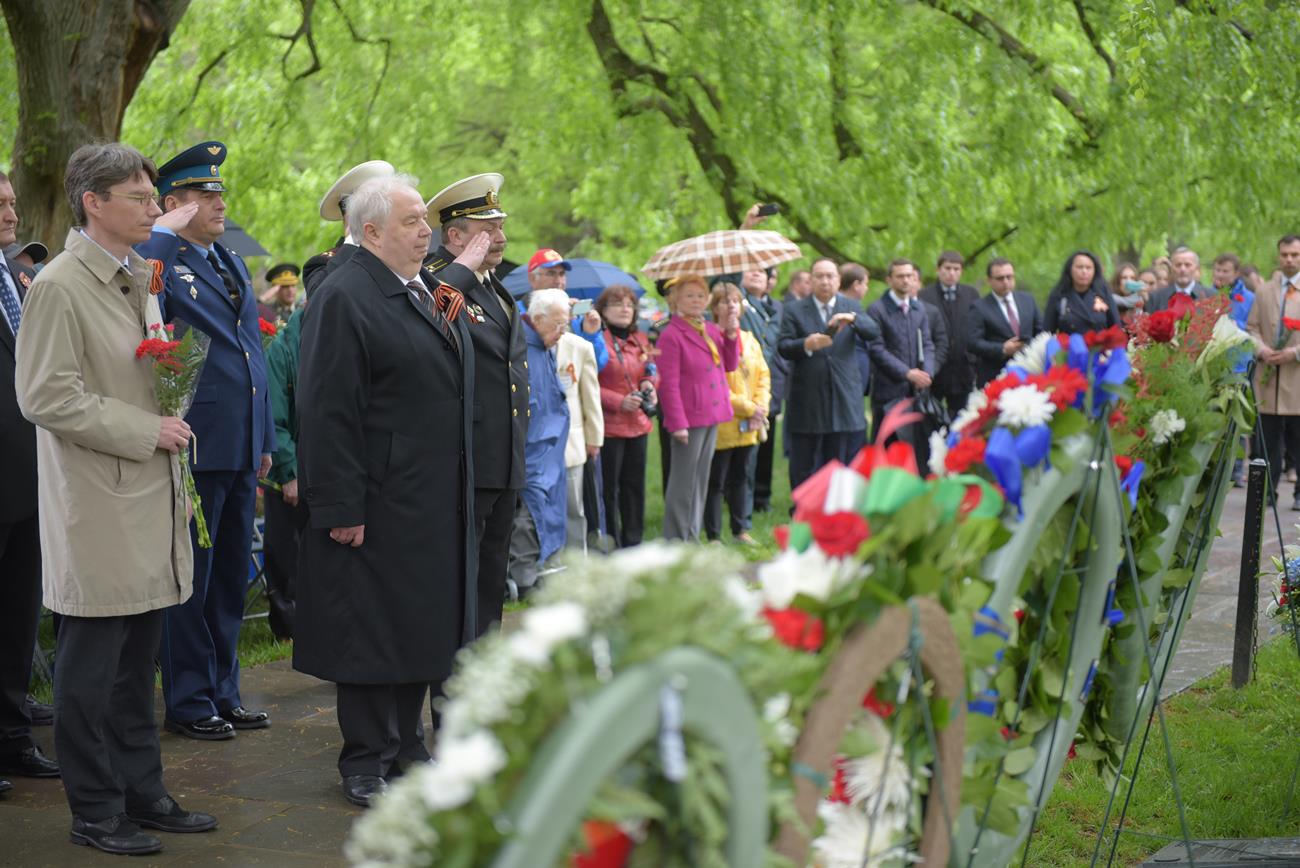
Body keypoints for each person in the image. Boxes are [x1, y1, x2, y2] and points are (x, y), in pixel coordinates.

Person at [16, 141, 216, 855]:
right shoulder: (63, 284)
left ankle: (144, 791)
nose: (154, 208)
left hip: (145, 493)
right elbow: (43, 394)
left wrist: (162, 414)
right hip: (99, 501)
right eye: (137, 197)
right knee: (92, 667)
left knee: (138, 665)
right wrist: (146, 427)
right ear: (92, 203)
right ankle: (95, 809)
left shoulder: (137, 276)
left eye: (152, 196)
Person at [295, 173, 477, 808]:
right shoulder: (347, 293)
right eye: (411, 222)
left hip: (424, 496)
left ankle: (406, 748)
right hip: (377, 495)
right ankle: (365, 759)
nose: (426, 230)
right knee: (371, 630)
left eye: (424, 221)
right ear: (369, 232)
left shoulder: (412, 287)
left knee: (417, 625)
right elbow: (328, 408)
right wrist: (341, 504)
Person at [137, 141, 273, 741]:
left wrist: (264, 434)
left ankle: (225, 690)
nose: (219, 202)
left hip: (240, 442)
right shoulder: (161, 257)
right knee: (190, 578)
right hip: (195, 438)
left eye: (219, 191)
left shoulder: (228, 261)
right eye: (203, 193)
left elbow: (250, 352)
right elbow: (141, 289)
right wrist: (162, 233)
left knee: (228, 579)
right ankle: (190, 699)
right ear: (172, 204)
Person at [423, 174, 528, 635]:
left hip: (503, 459)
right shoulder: (440, 282)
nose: (501, 237)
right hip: (468, 457)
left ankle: (487, 669)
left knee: (491, 579)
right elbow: (433, 318)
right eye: (488, 228)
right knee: (463, 582)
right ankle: (459, 673)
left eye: (501, 226)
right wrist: (459, 269)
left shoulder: (495, 289)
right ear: (454, 237)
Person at [0, 169, 59, 793]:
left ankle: (14, 739)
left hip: (31, 477)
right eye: (1, 205)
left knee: (18, 621)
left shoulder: (19, 275)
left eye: (13, 202)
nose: (12, 214)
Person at [778, 258, 880, 490]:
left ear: (838, 280)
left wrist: (853, 319)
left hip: (843, 394)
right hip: (808, 396)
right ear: (811, 280)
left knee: (839, 459)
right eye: (819, 276)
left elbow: (873, 331)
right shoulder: (794, 309)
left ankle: (835, 510)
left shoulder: (851, 306)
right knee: (804, 460)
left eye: (830, 276)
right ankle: (802, 512)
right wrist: (806, 344)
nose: (825, 281)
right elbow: (783, 346)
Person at [657, 275, 740, 540]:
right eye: (689, 296)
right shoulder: (671, 334)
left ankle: (691, 535)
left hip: (711, 414)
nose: (696, 301)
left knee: (700, 482)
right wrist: (677, 423)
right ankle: (676, 540)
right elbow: (667, 385)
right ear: (675, 300)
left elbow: (729, 364)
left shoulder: (709, 328)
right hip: (689, 419)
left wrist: (730, 333)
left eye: (700, 296)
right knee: (683, 484)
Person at [509, 289, 571, 593]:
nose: (562, 333)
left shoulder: (545, 345)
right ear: (538, 319)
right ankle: (524, 580)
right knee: (528, 516)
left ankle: (541, 574)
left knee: (548, 513)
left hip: (551, 453)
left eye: (565, 326)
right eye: (558, 325)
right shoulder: (524, 349)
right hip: (532, 452)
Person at [705, 283, 770, 544]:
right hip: (724, 420)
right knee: (716, 480)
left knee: (742, 476)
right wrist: (749, 407)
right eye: (724, 301)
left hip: (749, 421)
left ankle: (741, 529)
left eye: (735, 301)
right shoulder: (709, 339)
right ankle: (714, 534)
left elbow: (763, 374)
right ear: (714, 308)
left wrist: (761, 405)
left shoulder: (750, 338)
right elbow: (715, 384)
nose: (731, 305)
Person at [595, 285, 656, 547]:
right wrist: (619, 401)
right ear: (603, 311)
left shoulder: (641, 339)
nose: (624, 309)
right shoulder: (596, 340)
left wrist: (650, 383)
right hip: (609, 427)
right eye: (617, 304)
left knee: (635, 487)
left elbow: (651, 368)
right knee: (610, 490)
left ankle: (634, 541)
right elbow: (588, 383)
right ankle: (612, 543)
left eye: (629, 305)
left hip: (638, 425)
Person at [1247, 235, 1300, 510]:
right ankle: (1267, 492)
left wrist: (1294, 353)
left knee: (1298, 439)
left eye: (1294, 254)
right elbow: (1252, 327)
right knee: (1267, 441)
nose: (1289, 259)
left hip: (1296, 377)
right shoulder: (1265, 290)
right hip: (1268, 376)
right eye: (1284, 254)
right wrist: (1262, 349)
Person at [866, 259, 935, 450]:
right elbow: (877, 349)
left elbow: (928, 343)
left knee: (915, 450)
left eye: (909, 276)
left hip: (916, 393)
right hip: (888, 393)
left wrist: (927, 372)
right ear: (889, 279)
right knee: (888, 449)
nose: (906, 281)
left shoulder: (918, 308)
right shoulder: (877, 309)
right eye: (900, 276)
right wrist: (907, 373)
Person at [302, 161, 396, 294]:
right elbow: (322, 298)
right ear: (352, 214)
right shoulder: (323, 263)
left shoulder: (397, 255)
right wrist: (353, 241)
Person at [738, 267, 786, 513]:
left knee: (765, 445)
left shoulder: (777, 308)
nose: (756, 274)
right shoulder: (739, 302)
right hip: (740, 386)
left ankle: (760, 500)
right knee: (743, 450)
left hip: (768, 384)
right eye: (750, 270)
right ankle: (739, 504)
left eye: (761, 272)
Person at [556, 322, 603, 551]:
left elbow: (590, 395)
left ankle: (577, 562)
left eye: (563, 319)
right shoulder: (524, 343)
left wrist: (594, 437)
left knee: (575, 507)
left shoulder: (580, 347)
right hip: (537, 445)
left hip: (572, 443)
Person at [967, 257, 1044, 387]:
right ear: (989, 280)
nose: (1006, 282)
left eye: (1009, 277)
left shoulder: (1028, 300)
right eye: (1000, 278)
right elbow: (973, 343)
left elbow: (1041, 332)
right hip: (996, 376)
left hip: (1029, 371)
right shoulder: (979, 307)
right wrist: (1002, 349)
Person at [919, 251, 978, 417]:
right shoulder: (924, 296)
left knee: (962, 418)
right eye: (948, 268)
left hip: (964, 369)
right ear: (938, 270)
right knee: (931, 417)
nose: (952, 273)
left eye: (956, 269)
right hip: (935, 369)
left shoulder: (971, 294)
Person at [1043, 250, 1119, 335]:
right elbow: (1047, 332)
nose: (1084, 271)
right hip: (1068, 346)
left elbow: (1116, 327)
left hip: (1099, 346)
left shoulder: (1104, 294)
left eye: (1088, 268)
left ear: (1095, 271)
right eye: (1079, 267)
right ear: (1070, 269)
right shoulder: (1058, 295)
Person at [1147, 247, 1214, 313]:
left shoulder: (1211, 296)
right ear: (1172, 268)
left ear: (1196, 268)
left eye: (1187, 265)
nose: (1182, 269)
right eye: (1178, 265)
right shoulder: (1156, 298)